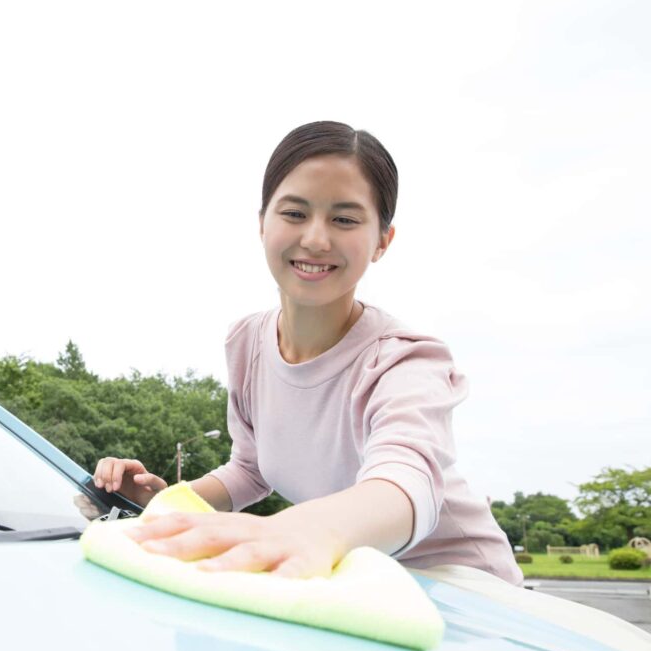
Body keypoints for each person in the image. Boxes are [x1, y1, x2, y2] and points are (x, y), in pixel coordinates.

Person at [92, 121, 523, 585]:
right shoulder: (246, 344)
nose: (316, 239)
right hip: (342, 581)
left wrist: (305, 529)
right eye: (295, 213)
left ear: (382, 240)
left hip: (462, 588)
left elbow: (406, 480)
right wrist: (170, 503)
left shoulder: (405, 362)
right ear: (262, 223)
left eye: (344, 219)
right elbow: (251, 469)